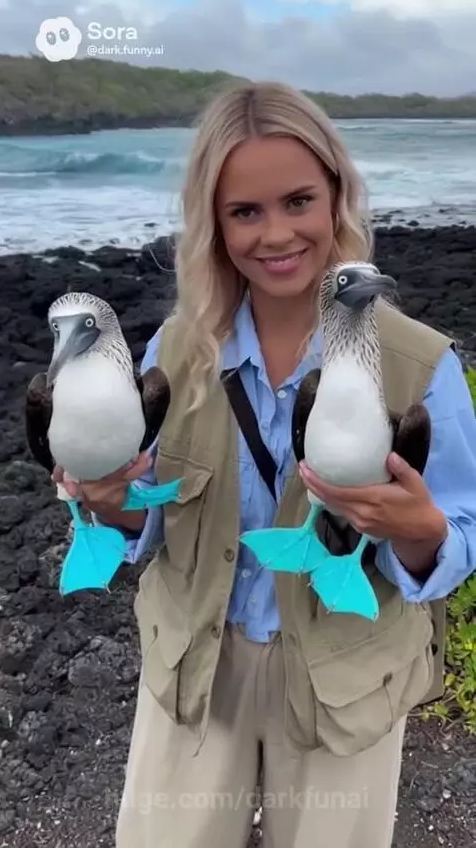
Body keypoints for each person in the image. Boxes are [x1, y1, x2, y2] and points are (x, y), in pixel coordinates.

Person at [54, 81, 476, 848]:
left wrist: (417, 529)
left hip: (344, 678)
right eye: (244, 211)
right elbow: (146, 521)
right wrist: (110, 500)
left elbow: (459, 534)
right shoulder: (173, 356)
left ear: (338, 198)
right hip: (197, 666)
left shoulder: (420, 366)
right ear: (212, 223)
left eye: (298, 201)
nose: (275, 234)